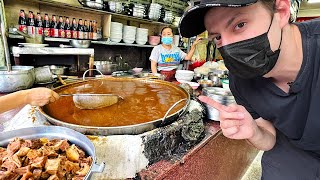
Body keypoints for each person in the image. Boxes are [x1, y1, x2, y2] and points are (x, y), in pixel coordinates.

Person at [179, 0, 320, 179]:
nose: (228, 47)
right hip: (293, 152)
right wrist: (253, 131)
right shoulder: (240, 80)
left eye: (240, 25)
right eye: (218, 37)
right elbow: (269, 138)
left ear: (282, 12)